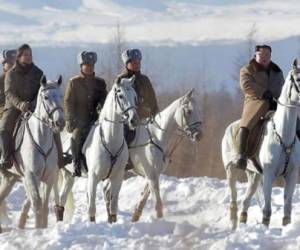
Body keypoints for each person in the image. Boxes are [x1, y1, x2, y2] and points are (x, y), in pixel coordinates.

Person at [0, 44, 66, 169]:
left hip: (35, 106)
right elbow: (9, 92)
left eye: (30, 54)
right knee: (4, 127)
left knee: (52, 124)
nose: (28, 57)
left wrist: (33, 103)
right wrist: (20, 104)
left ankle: (60, 157)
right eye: (25, 55)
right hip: (14, 107)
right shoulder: (11, 74)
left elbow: (42, 91)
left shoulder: (38, 73)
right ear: (19, 57)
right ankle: (6, 157)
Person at [235, 44, 284, 170]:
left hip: (276, 103)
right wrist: (263, 93)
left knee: (294, 121)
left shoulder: (277, 71)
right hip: (255, 102)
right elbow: (246, 85)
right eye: (261, 55)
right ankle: (241, 155)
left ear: (270, 56)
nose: (264, 57)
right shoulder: (247, 69)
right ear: (255, 55)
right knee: (247, 124)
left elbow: (283, 85)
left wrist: (279, 98)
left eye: (267, 55)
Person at [64, 51, 107, 177]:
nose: (89, 67)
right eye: (87, 65)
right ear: (81, 66)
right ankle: (76, 164)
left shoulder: (100, 83)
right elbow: (68, 102)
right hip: (79, 120)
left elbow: (104, 99)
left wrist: (101, 108)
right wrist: (70, 119)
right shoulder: (74, 82)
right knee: (76, 136)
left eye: (92, 65)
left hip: (96, 118)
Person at [116, 48, 159, 121]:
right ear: (127, 64)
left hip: (144, 120)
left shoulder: (145, 80)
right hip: (126, 121)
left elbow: (153, 101)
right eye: (134, 62)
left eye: (138, 62)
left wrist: (154, 114)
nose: (137, 64)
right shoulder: (121, 80)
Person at [0, 49, 17, 118]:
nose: (13, 64)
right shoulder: (1, 80)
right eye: (10, 62)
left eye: (15, 62)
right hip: (4, 109)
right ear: (3, 64)